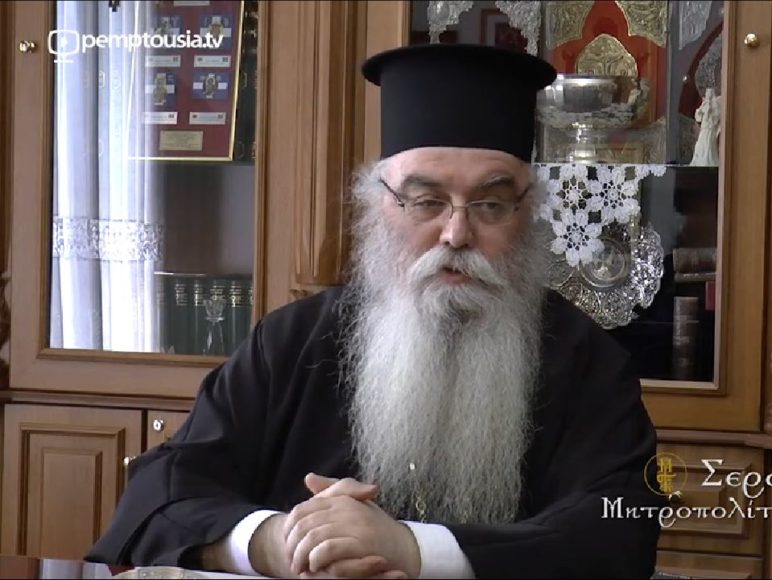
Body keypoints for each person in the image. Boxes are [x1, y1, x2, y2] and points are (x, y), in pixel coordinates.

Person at [87, 43, 664, 579]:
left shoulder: (587, 363)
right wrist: (279, 542)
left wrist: (411, 549)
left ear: (527, 213)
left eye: (490, 204)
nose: (456, 233)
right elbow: (157, 499)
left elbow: (620, 532)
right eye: (425, 201)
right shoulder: (292, 342)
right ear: (378, 205)